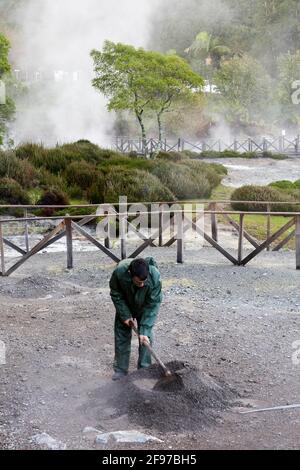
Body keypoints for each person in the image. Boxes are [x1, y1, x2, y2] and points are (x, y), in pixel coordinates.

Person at [109, 257, 162, 380]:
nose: (142, 285)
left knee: (146, 337)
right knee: (121, 334)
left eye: (144, 281)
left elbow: (153, 304)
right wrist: (125, 315)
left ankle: (144, 370)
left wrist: (144, 331)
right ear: (130, 274)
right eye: (138, 282)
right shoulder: (120, 273)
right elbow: (116, 293)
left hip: (144, 306)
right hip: (126, 303)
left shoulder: (154, 277)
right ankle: (121, 370)